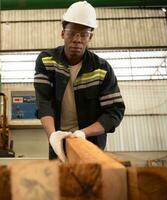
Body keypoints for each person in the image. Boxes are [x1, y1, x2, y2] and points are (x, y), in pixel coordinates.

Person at [34, 1, 125, 162]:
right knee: (60, 183)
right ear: (63, 34)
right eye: (71, 33)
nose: (77, 39)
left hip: (91, 144)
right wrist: (53, 136)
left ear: (90, 36)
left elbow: (114, 112)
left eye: (83, 34)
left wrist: (83, 133)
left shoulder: (102, 69)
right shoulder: (47, 60)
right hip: (58, 140)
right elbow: (44, 102)